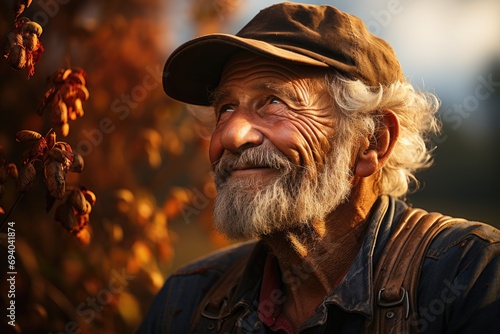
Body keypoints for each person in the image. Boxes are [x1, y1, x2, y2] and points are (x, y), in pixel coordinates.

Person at [137, 2, 500, 333]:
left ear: (372, 142)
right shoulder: (185, 303)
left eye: (274, 101)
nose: (231, 135)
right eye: (226, 108)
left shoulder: (472, 276)